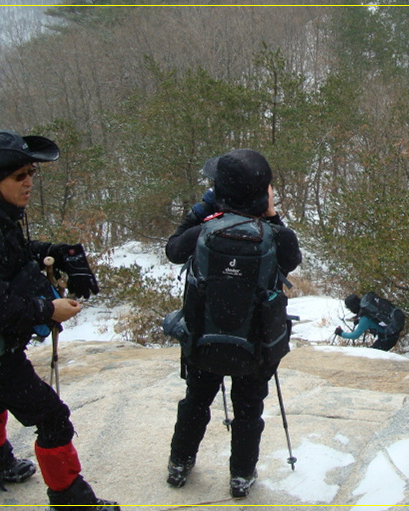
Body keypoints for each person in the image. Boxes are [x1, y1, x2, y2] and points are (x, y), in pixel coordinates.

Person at [0, 130, 117, 509]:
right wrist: (48, 310)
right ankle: (72, 500)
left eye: (31, 173)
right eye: (20, 176)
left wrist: (57, 252)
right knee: (53, 419)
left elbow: (11, 256)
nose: (29, 182)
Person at [164, 149, 302, 498]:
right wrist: (271, 216)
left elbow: (173, 250)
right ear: (262, 194)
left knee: (195, 401)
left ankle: (180, 463)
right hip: (254, 347)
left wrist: (201, 211)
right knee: (248, 411)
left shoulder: (203, 230)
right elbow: (291, 260)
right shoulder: (277, 236)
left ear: (219, 192)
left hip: (203, 341)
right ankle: (241, 475)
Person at [333, 292, 404, 351]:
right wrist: (359, 320)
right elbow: (372, 320)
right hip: (393, 334)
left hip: (387, 339)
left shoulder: (365, 318)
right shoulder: (369, 308)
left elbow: (355, 335)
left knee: (372, 356)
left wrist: (341, 333)